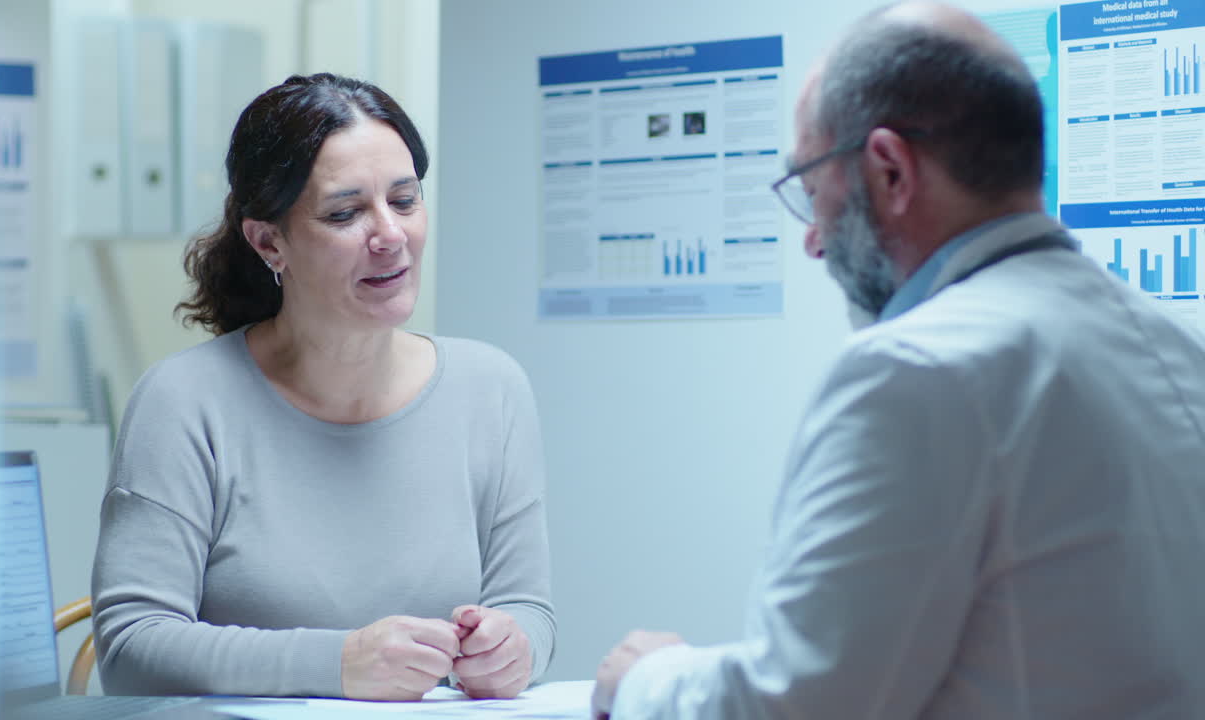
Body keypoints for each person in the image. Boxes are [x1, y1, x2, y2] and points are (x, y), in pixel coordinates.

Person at [592, 2, 1205, 718]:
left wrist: (646, 677)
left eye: (813, 190)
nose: (813, 241)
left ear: (889, 171)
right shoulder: (1176, 346)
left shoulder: (915, 372)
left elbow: (798, 705)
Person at [91, 73, 554, 701]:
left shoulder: (491, 388)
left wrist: (513, 647)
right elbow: (131, 648)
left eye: (405, 200)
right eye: (345, 212)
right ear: (268, 241)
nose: (390, 234)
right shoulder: (184, 401)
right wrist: (338, 662)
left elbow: (527, 608)